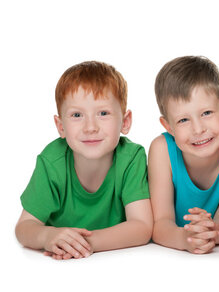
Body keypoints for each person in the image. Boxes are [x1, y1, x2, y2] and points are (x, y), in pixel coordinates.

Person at [15, 61, 153, 260]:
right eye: (77, 115)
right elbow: (24, 227)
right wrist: (47, 236)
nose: (90, 127)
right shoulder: (52, 162)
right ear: (60, 126)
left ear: (125, 121)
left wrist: (84, 243)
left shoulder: (131, 158)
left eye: (103, 113)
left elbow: (142, 226)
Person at [149, 56, 219, 254]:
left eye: (207, 113)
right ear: (168, 126)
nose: (198, 129)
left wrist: (210, 232)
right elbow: (160, 223)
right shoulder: (161, 150)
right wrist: (184, 238)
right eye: (183, 120)